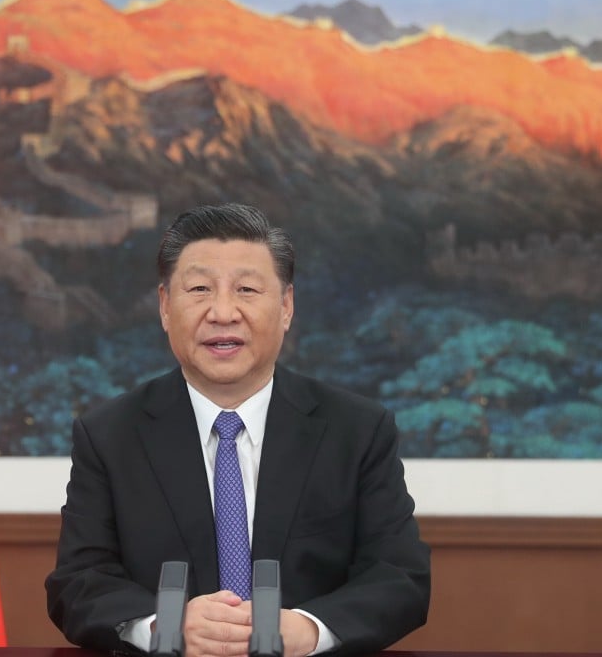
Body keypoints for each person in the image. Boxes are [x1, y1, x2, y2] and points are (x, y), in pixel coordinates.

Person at [46, 203, 430, 657]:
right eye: (199, 289)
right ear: (165, 307)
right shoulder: (109, 436)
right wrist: (164, 626)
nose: (223, 312)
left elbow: (399, 576)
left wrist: (309, 630)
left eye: (246, 289)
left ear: (286, 306)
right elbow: (79, 582)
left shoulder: (357, 430)